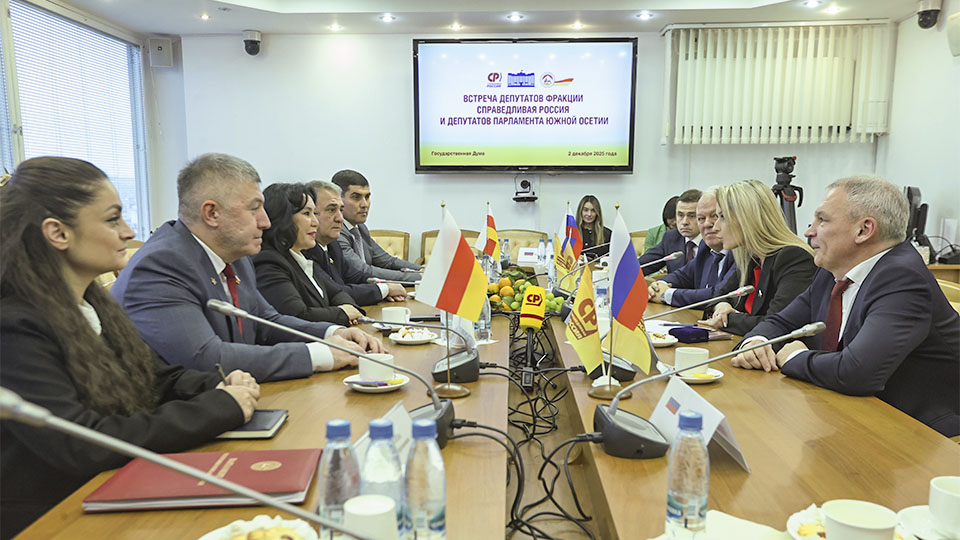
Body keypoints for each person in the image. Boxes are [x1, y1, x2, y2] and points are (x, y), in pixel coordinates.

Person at [0, 157, 260, 538]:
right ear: (57, 233)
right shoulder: (14, 327)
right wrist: (220, 408)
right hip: (54, 519)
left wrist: (219, 384)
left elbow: (158, 377)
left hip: (115, 491)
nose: (129, 231)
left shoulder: (93, 305)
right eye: (112, 219)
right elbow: (83, 442)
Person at [111, 154, 384, 383]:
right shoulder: (161, 266)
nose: (265, 222)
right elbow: (207, 359)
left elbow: (267, 322)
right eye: (254, 209)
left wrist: (331, 334)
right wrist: (320, 355)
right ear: (212, 213)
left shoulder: (236, 257)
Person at [733, 176, 959, 437]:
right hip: (849, 413)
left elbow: (858, 373)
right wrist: (756, 342)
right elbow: (780, 322)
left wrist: (793, 357)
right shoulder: (831, 271)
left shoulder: (902, 278)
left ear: (864, 230)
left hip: (918, 432)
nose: (809, 232)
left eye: (822, 220)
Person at [698, 179, 816, 336]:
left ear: (747, 218)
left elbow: (776, 324)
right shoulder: (751, 257)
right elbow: (720, 294)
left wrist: (727, 320)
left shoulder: (794, 258)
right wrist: (721, 307)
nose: (715, 226)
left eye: (722, 217)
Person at [254, 183, 364, 327]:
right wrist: (342, 314)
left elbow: (337, 292)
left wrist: (349, 309)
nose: (315, 222)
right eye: (307, 213)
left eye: (314, 213)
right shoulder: (269, 262)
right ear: (283, 218)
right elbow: (298, 316)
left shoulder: (301, 255)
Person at [305, 180, 408, 305]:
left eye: (341, 210)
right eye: (331, 210)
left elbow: (357, 276)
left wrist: (384, 285)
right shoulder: (306, 251)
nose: (340, 219)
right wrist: (383, 290)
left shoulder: (333, 245)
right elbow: (336, 292)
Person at [648, 189, 737, 307]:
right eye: (701, 218)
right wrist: (658, 286)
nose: (707, 224)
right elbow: (683, 276)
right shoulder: (706, 248)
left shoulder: (741, 253)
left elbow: (718, 295)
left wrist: (667, 295)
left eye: (715, 216)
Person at [332, 169, 422, 281]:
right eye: (356, 197)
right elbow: (362, 270)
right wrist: (419, 277)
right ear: (338, 199)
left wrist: (422, 270)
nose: (364, 204)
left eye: (367, 197)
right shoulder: (335, 232)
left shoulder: (360, 228)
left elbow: (388, 261)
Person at [639, 189, 702, 274]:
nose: (684, 222)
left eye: (692, 216)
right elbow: (643, 265)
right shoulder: (671, 238)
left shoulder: (713, 241)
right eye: (680, 215)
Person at [576, 195, 612, 259]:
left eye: (593, 211)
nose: (589, 214)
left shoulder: (607, 234)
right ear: (580, 211)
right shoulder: (572, 233)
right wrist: (575, 257)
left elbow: (613, 258)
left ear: (597, 213)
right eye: (586, 210)